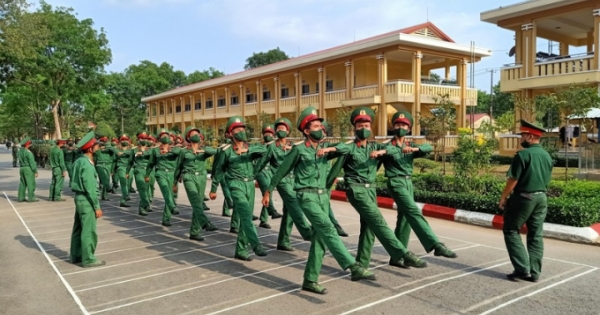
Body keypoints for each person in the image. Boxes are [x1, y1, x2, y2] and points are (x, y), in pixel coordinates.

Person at [263, 106, 375, 295]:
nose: (320, 129)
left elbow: (346, 147)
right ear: (306, 131)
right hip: (306, 196)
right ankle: (352, 266)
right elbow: (281, 170)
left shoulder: (326, 148)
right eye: (315, 126)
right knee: (328, 228)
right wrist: (268, 191)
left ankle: (310, 280)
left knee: (320, 240)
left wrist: (331, 148)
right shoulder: (299, 150)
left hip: (323, 196)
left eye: (321, 127)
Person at [326, 107, 427, 269]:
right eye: (360, 126)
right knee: (377, 221)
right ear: (354, 128)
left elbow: (395, 150)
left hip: (370, 190)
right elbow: (334, 171)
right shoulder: (349, 148)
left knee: (368, 227)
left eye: (366, 126)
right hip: (356, 189)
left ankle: (362, 263)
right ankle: (402, 253)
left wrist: (388, 150)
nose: (363, 129)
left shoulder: (375, 148)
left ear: (371, 128)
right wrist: (325, 192)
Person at [380, 110, 456, 262]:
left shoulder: (411, 145)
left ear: (409, 129)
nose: (400, 127)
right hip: (396, 182)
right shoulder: (387, 146)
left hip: (408, 182)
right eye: (398, 124)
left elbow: (428, 147)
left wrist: (415, 149)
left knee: (405, 219)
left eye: (404, 125)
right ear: (393, 127)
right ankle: (435, 244)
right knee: (413, 211)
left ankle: (397, 256)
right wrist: (399, 150)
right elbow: (387, 150)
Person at [499, 119, 553, 282]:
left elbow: (513, 179)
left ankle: (522, 269)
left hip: (524, 198)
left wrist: (503, 197)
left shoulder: (523, 155)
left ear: (530, 137)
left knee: (510, 230)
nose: (520, 138)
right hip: (541, 198)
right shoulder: (546, 155)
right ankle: (535, 273)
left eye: (522, 135)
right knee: (536, 235)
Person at [210, 116, 268, 261]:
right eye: (238, 129)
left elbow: (266, 151)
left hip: (250, 184)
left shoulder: (251, 148)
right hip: (235, 184)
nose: (241, 131)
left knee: (244, 218)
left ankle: (241, 250)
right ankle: (256, 245)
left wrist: (247, 151)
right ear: (231, 133)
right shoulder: (226, 151)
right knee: (246, 215)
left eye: (243, 129)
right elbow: (218, 171)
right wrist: (213, 189)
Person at [255, 117, 312, 251]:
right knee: (294, 202)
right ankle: (308, 233)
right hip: (281, 180)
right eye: (278, 129)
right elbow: (261, 163)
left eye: (283, 128)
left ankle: (283, 241)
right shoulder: (272, 147)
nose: (281, 130)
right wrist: (252, 174)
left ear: (288, 131)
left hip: (294, 179)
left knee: (289, 211)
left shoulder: (294, 147)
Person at [69, 131, 105, 268]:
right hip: (86, 199)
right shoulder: (87, 164)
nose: (98, 148)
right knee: (89, 230)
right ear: (90, 149)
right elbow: (90, 187)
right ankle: (88, 258)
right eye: (96, 146)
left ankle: (76, 255)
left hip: (79, 197)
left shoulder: (79, 161)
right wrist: (97, 206)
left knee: (78, 228)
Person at [176, 126, 218, 241]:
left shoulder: (204, 151)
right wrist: (174, 183)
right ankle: (205, 223)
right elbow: (178, 167)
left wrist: (201, 150)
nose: (196, 136)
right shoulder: (184, 152)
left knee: (198, 204)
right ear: (188, 137)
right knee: (195, 199)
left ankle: (194, 232)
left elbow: (216, 151)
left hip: (201, 177)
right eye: (193, 134)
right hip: (188, 176)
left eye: (198, 134)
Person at [145, 129, 181, 226]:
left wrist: (168, 150)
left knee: (170, 195)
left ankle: (166, 218)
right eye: (162, 136)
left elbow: (180, 155)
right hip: (160, 173)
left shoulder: (175, 148)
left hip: (172, 174)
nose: (165, 137)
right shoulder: (155, 150)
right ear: (159, 138)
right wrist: (147, 175)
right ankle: (172, 207)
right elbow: (150, 163)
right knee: (166, 191)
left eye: (166, 135)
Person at [321, 120, 349, 237]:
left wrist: (329, 149)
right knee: (323, 206)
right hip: (312, 183)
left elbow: (343, 147)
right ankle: (335, 227)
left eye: (322, 131)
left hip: (326, 182)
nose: (320, 133)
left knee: (325, 205)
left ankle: (332, 227)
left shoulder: (328, 146)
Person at [254, 123, 283, 229]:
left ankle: (263, 219)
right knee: (266, 191)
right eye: (266, 133)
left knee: (268, 195)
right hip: (261, 172)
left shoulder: (276, 146)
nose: (268, 135)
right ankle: (272, 210)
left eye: (270, 133)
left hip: (270, 172)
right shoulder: (259, 146)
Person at [129, 132, 153, 216]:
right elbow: (130, 162)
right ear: (138, 140)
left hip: (147, 171)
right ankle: (146, 204)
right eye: (141, 139)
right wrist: (127, 172)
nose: (143, 140)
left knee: (146, 189)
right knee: (142, 188)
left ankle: (141, 208)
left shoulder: (150, 149)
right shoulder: (134, 150)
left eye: (145, 138)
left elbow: (151, 156)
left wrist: (143, 152)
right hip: (138, 170)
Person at [94, 136, 117, 201]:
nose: (103, 142)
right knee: (103, 178)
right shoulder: (97, 149)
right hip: (100, 164)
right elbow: (95, 158)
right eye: (102, 141)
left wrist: (106, 146)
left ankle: (104, 195)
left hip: (108, 165)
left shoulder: (109, 149)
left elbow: (114, 151)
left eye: (105, 141)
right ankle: (105, 189)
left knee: (106, 179)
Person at [115, 134, 134, 207]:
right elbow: (114, 159)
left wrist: (123, 153)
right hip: (121, 167)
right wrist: (113, 170)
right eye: (123, 140)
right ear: (120, 141)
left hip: (130, 168)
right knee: (123, 182)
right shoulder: (117, 150)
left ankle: (123, 201)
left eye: (126, 140)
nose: (124, 141)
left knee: (128, 185)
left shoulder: (131, 150)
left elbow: (132, 153)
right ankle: (126, 195)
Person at [17, 137, 38, 203]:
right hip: (28, 169)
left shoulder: (19, 152)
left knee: (22, 183)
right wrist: (35, 171)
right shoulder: (29, 153)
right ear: (27, 145)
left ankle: (21, 197)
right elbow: (32, 163)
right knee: (30, 183)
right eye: (29, 144)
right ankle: (31, 198)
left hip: (22, 168)